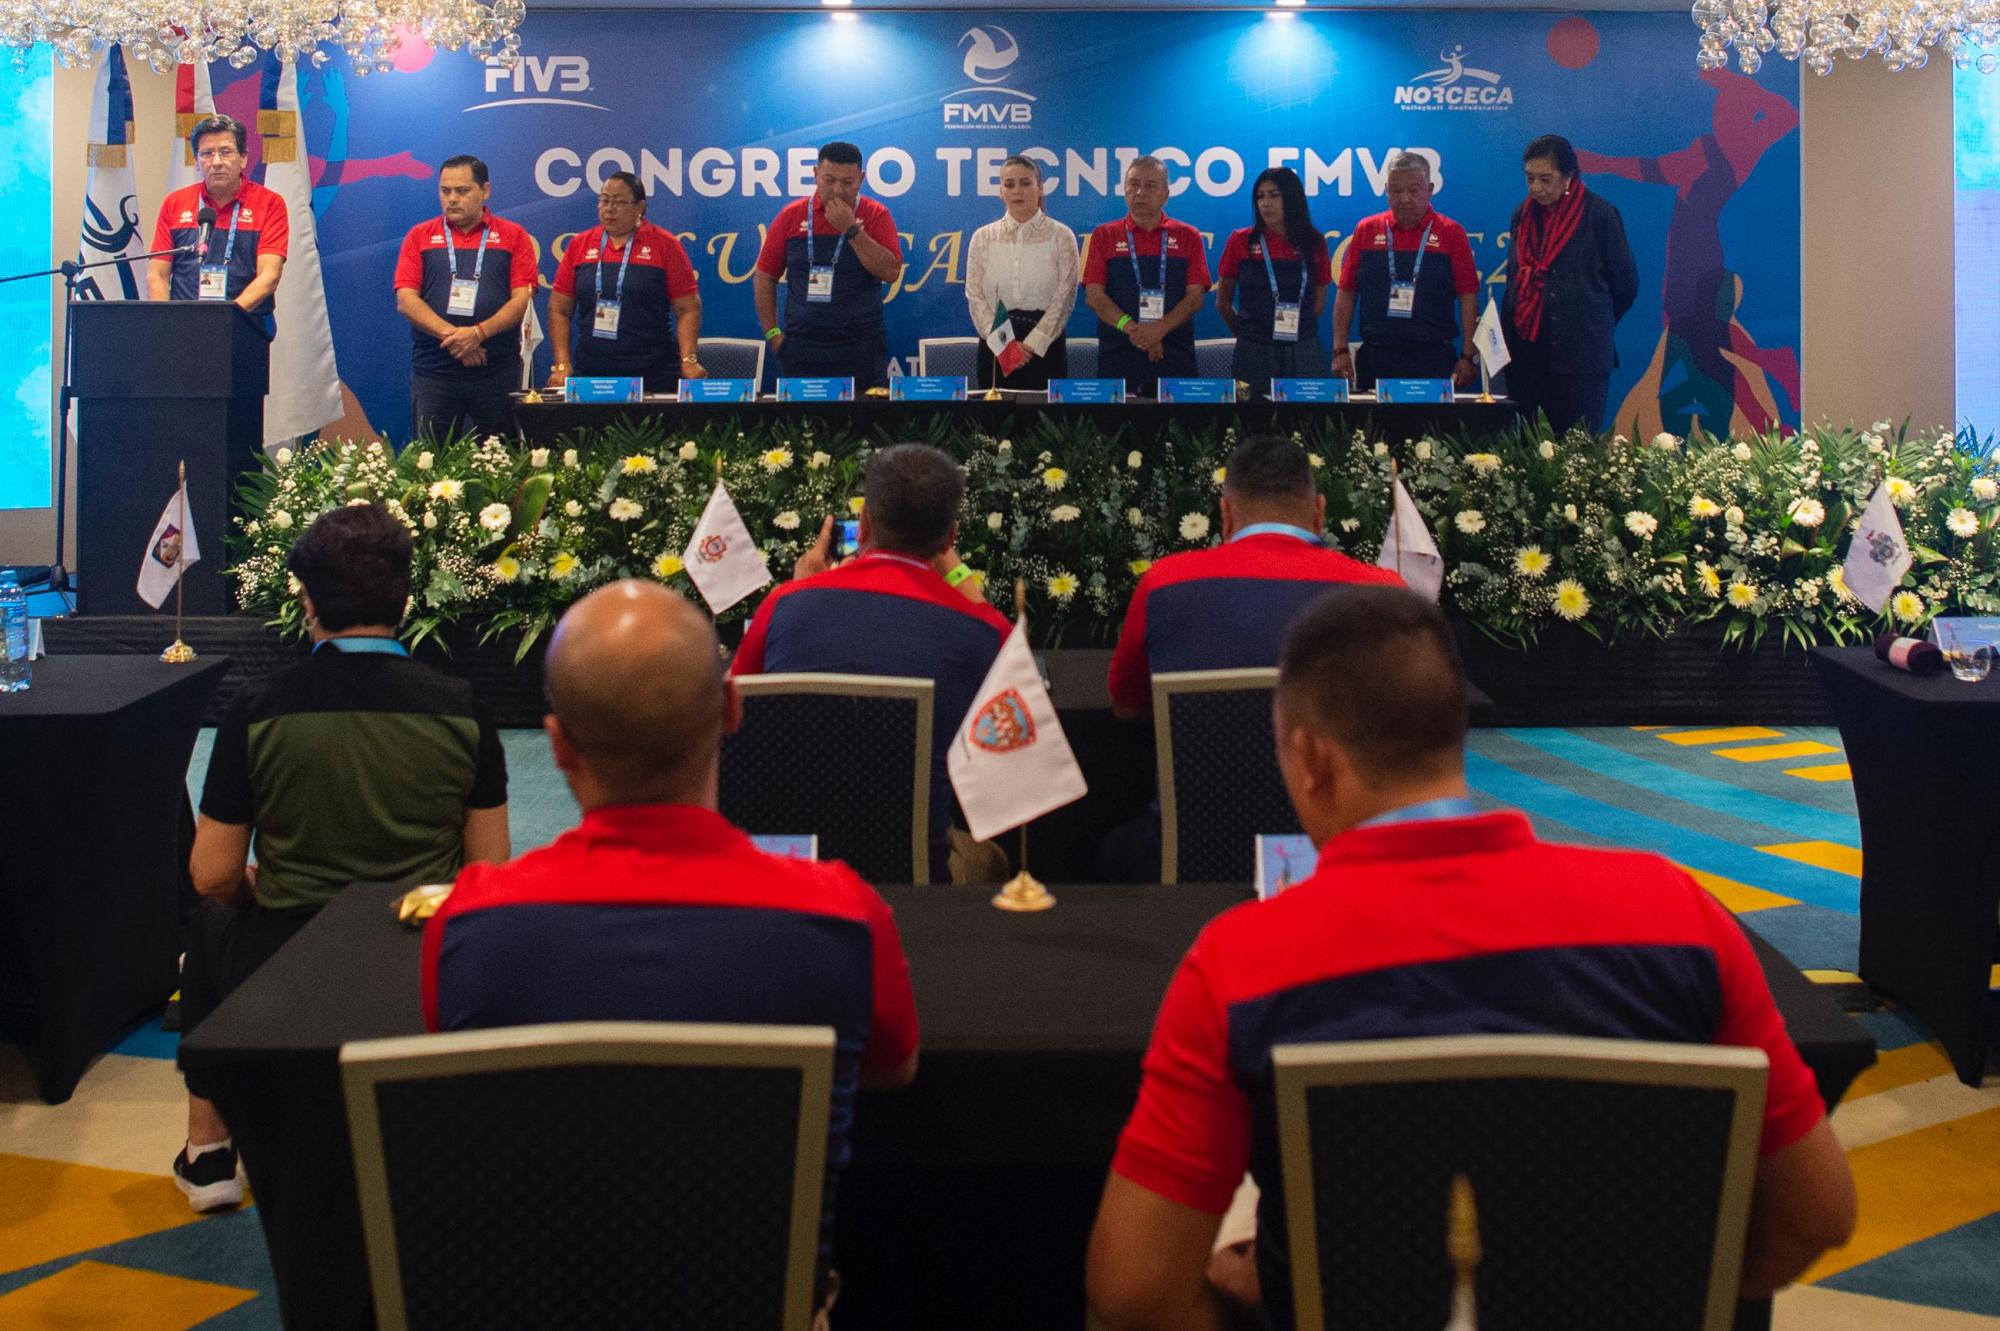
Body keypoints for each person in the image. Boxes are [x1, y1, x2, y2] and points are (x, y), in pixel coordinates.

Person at [1085, 586, 1857, 1331]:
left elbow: (1131, 1291)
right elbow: (1819, 1212)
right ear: (1454, 729)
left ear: (1311, 759)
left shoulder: (1240, 963)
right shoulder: (1678, 913)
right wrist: (1675, 1296)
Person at [424, 580, 918, 1311]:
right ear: (732, 708)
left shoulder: (467, 923)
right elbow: (891, 1068)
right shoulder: (844, 912)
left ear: (556, 744)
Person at [174, 502, 510, 1212]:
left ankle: (208, 1150)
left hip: (285, 963)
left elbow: (213, 873)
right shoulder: (463, 707)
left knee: (207, 921)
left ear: (306, 600)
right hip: (417, 963)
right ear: (405, 598)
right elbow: (487, 875)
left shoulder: (257, 708)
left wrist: (263, 888)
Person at [731, 444, 1009, 882]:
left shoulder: (783, 605)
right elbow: (1018, 736)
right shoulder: (983, 633)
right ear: (950, 538)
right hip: (917, 878)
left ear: (863, 525)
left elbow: (735, 720)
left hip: (792, 872)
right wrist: (962, 580)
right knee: (991, 859)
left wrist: (802, 591)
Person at [1107, 435, 1402, 720]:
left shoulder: (1163, 584)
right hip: (1333, 773)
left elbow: (1127, 706)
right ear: (1319, 512)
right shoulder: (1384, 594)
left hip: (1208, 771)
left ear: (1226, 513)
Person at [1501, 133, 1641, 434]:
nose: (1535, 188)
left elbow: (1626, 284)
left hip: (1580, 357)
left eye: (1545, 179)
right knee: (1527, 449)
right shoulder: (1521, 216)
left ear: (1568, 177)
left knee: (1575, 452)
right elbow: (1514, 279)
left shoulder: (1600, 215)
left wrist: (1591, 318)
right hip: (1526, 355)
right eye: (1530, 178)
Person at [393, 154, 538, 442]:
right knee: (430, 463)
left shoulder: (513, 236)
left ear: (485, 191)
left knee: (500, 463)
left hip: (495, 371)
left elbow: (523, 299)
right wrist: (459, 339)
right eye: (445, 191)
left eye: (462, 191)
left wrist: (479, 333)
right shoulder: (419, 236)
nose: (452, 200)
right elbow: (406, 300)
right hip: (435, 372)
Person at [753, 142, 905, 390]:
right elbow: (764, 277)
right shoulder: (791, 215)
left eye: (847, 182)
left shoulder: (877, 214)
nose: (837, 190)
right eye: (829, 180)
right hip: (802, 345)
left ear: (861, 179)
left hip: (860, 346)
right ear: (815, 175)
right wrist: (773, 335)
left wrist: (851, 229)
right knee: (801, 427)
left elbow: (891, 272)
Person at [1331, 152, 1479, 393]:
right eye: (1396, 191)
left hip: (1434, 357)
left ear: (1430, 189)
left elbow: (1468, 296)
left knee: (1434, 430)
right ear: (1386, 190)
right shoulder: (1367, 229)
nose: (1405, 199)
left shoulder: (1452, 232)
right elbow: (1346, 291)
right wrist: (1339, 350)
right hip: (1377, 356)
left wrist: (1468, 355)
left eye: (1413, 190)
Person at [547, 171, 703, 394]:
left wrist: (688, 359)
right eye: (604, 200)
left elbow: (688, 308)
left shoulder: (665, 244)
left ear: (640, 207)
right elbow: (559, 309)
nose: (609, 208)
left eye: (619, 202)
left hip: (653, 373)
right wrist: (562, 364)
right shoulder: (580, 244)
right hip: (592, 372)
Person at [148, 113, 287, 334]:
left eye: (225, 152)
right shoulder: (175, 203)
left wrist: (225, 320)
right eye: (207, 154)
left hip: (244, 325)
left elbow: (269, 276)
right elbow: (158, 274)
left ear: (243, 158)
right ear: (196, 161)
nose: (216, 162)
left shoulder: (269, 203)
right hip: (183, 327)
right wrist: (165, 322)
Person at [1082, 156, 1210, 395]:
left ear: (1166, 194)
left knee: (1179, 429)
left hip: (1174, 353)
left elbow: (1195, 299)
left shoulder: (1188, 236)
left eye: (1150, 186)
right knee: (1114, 430)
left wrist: (1158, 330)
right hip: (1119, 353)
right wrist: (1132, 329)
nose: (1139, 192)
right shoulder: (1104, 235)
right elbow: (1094, 297)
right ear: (1124, 191)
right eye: (1133, 184)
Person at [964, 154, 1079, 391]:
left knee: (1046, 425)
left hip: (1046, 345)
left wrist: (1034, 344)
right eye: (1009, 184)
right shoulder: (982, 238)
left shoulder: (1061, 236)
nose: (1017, 191)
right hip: (996, 344)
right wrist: (1005, 345)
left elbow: (1065, 296)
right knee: (994, 425)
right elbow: (975, 297)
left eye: (1025, 183)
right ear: (1001, 191)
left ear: (1040, 188)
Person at [1216, 169, 1331, 393]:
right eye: (1260, 196)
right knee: (1250, 419)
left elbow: (1318, 302)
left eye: (1274, 195)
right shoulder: (1240, 240)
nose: (1265, 203)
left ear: (1291, 197)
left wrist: (1294, 330)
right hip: (1254, 350)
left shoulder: (1314, 241)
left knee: (1305, 421)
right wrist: (1248, 335)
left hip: (1303, 348)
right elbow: (1222, 302)